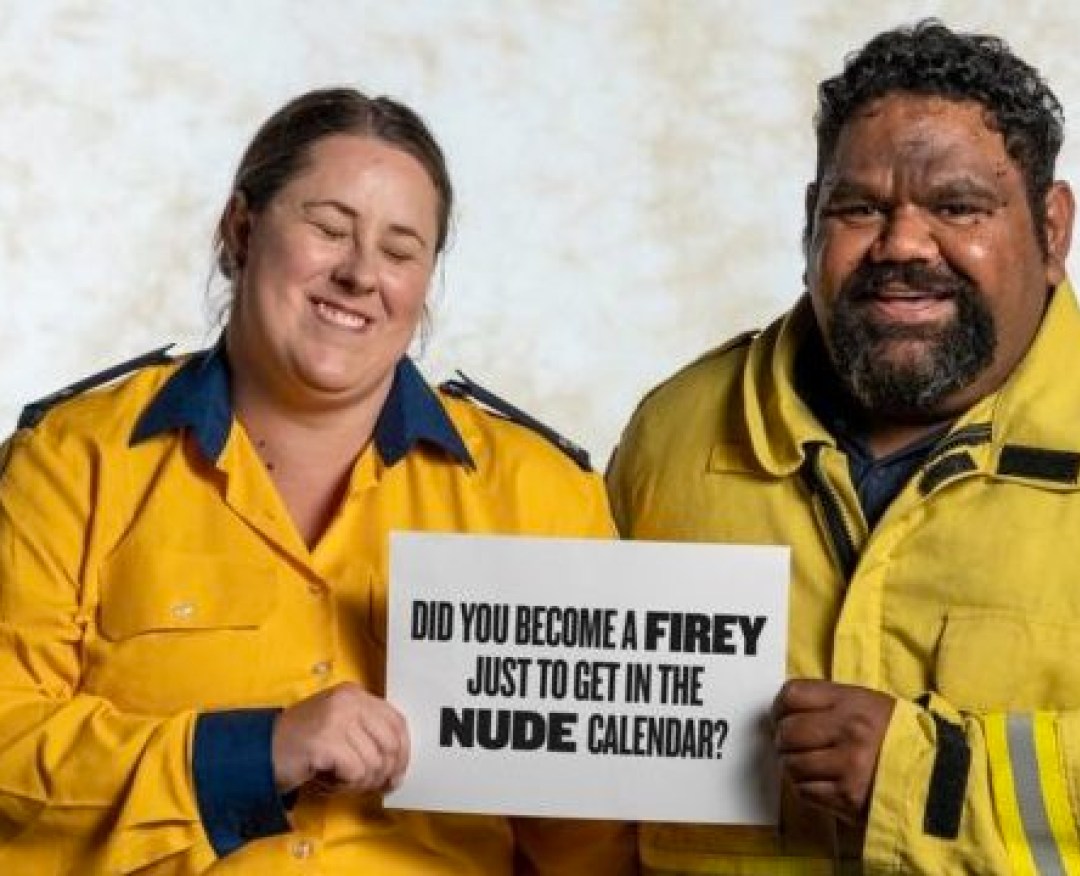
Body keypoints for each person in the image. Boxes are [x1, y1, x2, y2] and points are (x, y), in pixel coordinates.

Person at [607, 20, 1080, 874]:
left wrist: (928, 778)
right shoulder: (674, 435)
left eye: (957, 207)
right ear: (808, 222)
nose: (902, 245)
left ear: (1051, 229)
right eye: (859, 207)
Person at [0, 88, 634, 874]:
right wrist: (253, 751)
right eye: (329, 228)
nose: (361, 273)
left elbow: (589, 843)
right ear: (240, 230)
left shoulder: (541, 495)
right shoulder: (74, 458)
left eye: (401, 251)